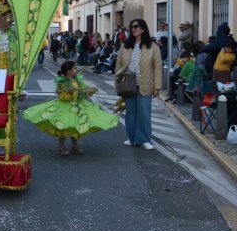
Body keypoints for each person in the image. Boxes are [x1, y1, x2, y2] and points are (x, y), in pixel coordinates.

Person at [23, 61, 118, 155]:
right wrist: (70, 92)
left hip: (77, 105)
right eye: (75, 68)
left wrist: (89, 91)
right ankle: (61, 147)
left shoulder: (77, 80)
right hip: (65, 106)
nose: (77, 70)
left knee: (76, 126)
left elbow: (82, 92)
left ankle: (74, 146)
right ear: (68, 71)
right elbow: (61, 96)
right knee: (63, 126)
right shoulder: (62, 81)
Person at [115, 18, 162, 150]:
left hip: (145, 84)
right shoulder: (125, 46)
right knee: (130, 113)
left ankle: (145, 139)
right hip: (128, 84)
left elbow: (157, 68)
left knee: (144, 113)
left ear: (143, 29)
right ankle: (132, 138)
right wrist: (118, 79)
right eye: (132, 27)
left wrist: (157, 87)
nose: (133, 29)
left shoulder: (153, 47)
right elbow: (118, 64)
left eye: (136, 27)